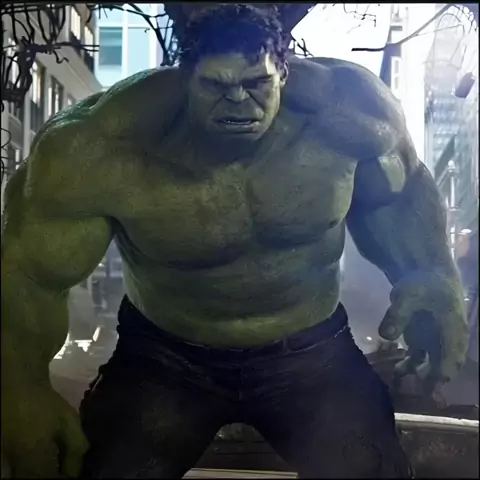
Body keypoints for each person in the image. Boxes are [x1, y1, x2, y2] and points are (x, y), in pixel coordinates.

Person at [1, 4, 468, 478]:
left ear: (283, 74)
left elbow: (400, 193)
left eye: (256, 83)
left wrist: (433, 273)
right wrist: (21, 388)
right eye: (215, 86)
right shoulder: (100, 144)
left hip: (312, 355)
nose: (238, 101)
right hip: (165, 358)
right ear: (184, 79)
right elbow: (29, 276)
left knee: (373, 470)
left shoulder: (349, 114)